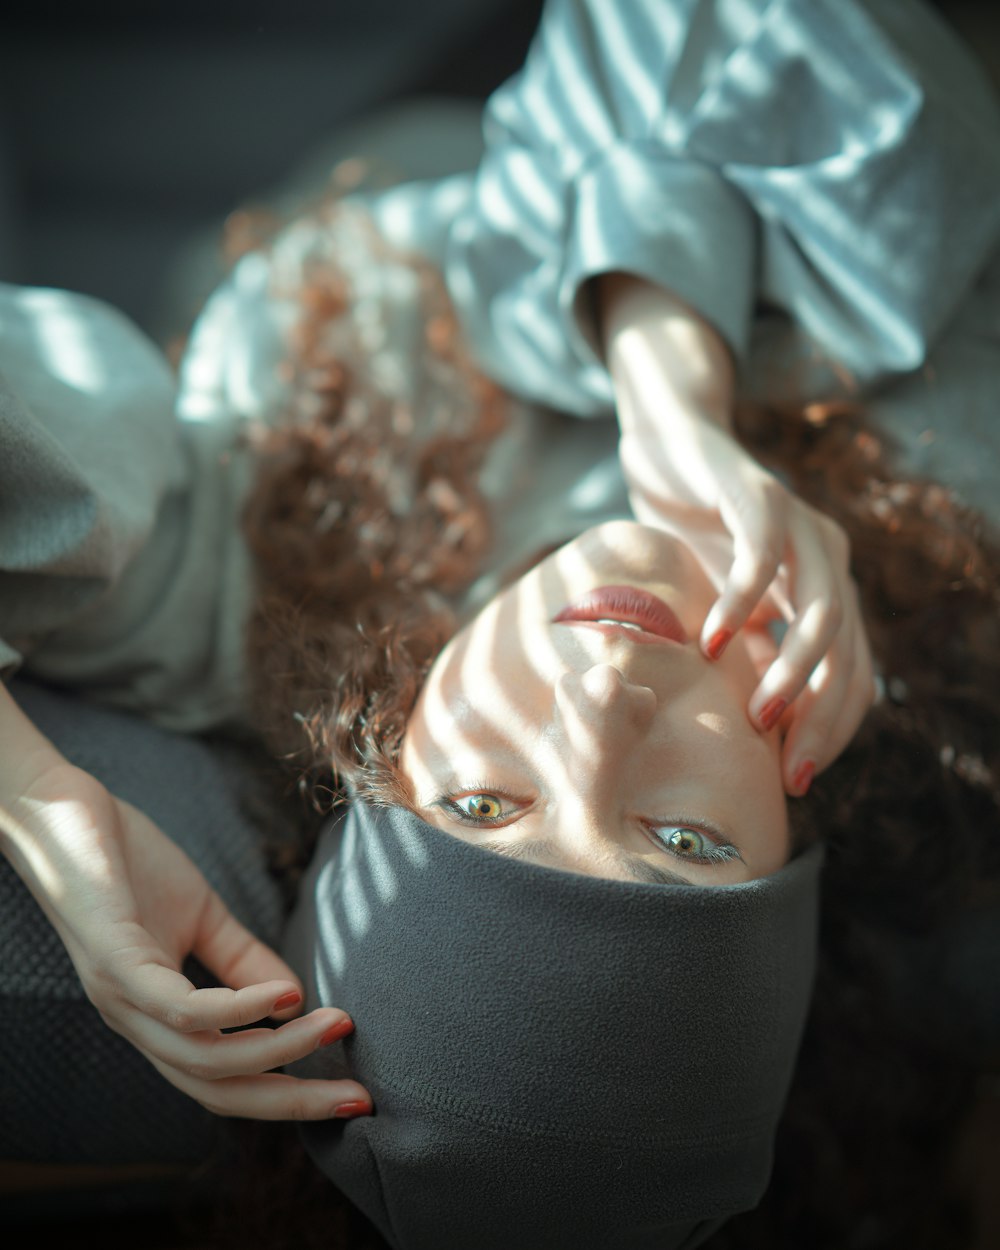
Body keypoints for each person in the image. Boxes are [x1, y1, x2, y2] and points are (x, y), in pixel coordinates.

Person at [1, 0, 999, 1247]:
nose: (599, 705)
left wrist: (42, 798)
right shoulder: (969, 558)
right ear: (798, 825)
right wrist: (669, 382)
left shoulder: (238, 568)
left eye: (477, 808)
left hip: (396, 161)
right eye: (684, 836)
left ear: (383, 764)